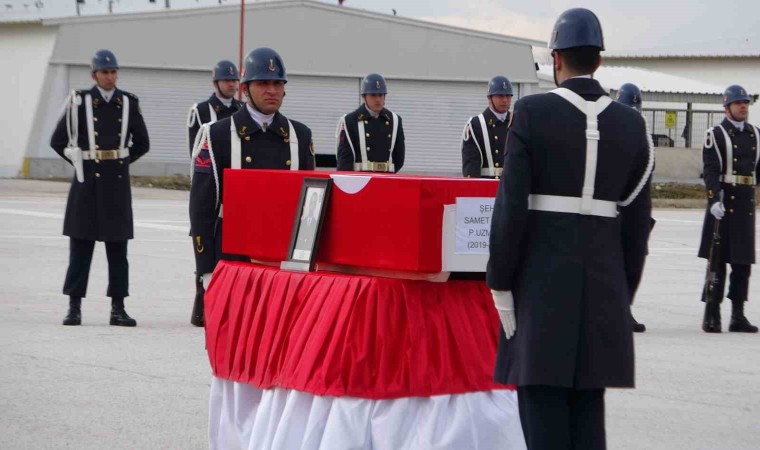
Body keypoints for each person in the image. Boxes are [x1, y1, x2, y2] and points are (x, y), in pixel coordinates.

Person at [487, 8, 653, 450]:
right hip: (602, 291)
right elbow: (637, 228)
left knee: (542, 419)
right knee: (588, 423)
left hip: (541, 292)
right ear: (598, 60)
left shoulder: (531, 113)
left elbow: (510, 208)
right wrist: (621, 293)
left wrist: (500, 283)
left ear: (556, 58)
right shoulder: (631, 124)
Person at [189, 47, 315, 291]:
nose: (272, 90)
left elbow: (309, 208)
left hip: (282, 259)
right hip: (232, 259)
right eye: (263, 83)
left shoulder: (300, 135)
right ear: (245, 89)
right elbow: (201, 209)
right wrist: (206, 268)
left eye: (277, 83)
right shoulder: (217, 135)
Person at [50, 49, 150, 327]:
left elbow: (142, 143)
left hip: (116, 186)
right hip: (87, 185)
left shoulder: (128, 103)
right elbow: (57, 141)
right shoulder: (79, 102)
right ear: (94, 75)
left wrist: (120, 162)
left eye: (113, 72)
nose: (110, 76)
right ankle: (74, 307)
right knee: (80, 250)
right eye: (105, 72)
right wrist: (79, 161)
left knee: (118, 253)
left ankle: (118, 308)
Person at [186, 60, 244, 327]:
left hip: (236, 189)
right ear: (216, 82)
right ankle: (202, 304)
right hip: (211, 184)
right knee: (206, 251)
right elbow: (196, 152)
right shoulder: (200, 111)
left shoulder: (242, 110)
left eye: (234, 80)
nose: (232, 84)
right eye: (227, 80)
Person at [698, 84, 759, 333]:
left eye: (745, 103)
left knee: (742, 262)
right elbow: (710, 170)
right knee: (718, 261)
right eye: (738, 103)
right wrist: (713, 200)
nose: (743, 106)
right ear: (727, 107)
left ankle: (738, 314)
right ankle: (712, 312)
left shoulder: (756, 134)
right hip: (724, 201)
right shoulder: (716, 134)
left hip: (745, 203)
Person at [616, 82, 655, 333]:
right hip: (616, 208)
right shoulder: (611, 132)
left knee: (634, 262)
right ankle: (616, 311)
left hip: (637, 210)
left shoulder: (644, 136)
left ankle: (626, 307)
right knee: (615, 263)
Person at [336, 73, 405, 172]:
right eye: (373, 95)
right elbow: (344, 161)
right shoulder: (350, 121)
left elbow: (399, 159)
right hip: (360, 179)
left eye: (381, 95)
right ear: (364, 96)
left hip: (386, 177)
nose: (378, 99)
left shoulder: (395, 120)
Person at [461, 76, 513, 178]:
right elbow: (471, 166)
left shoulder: (516, 121)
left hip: (511, 184)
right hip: (487, 184)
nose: (505, 100)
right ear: (489, 98)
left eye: (508, 96)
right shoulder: (476, 124)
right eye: (500, 96)